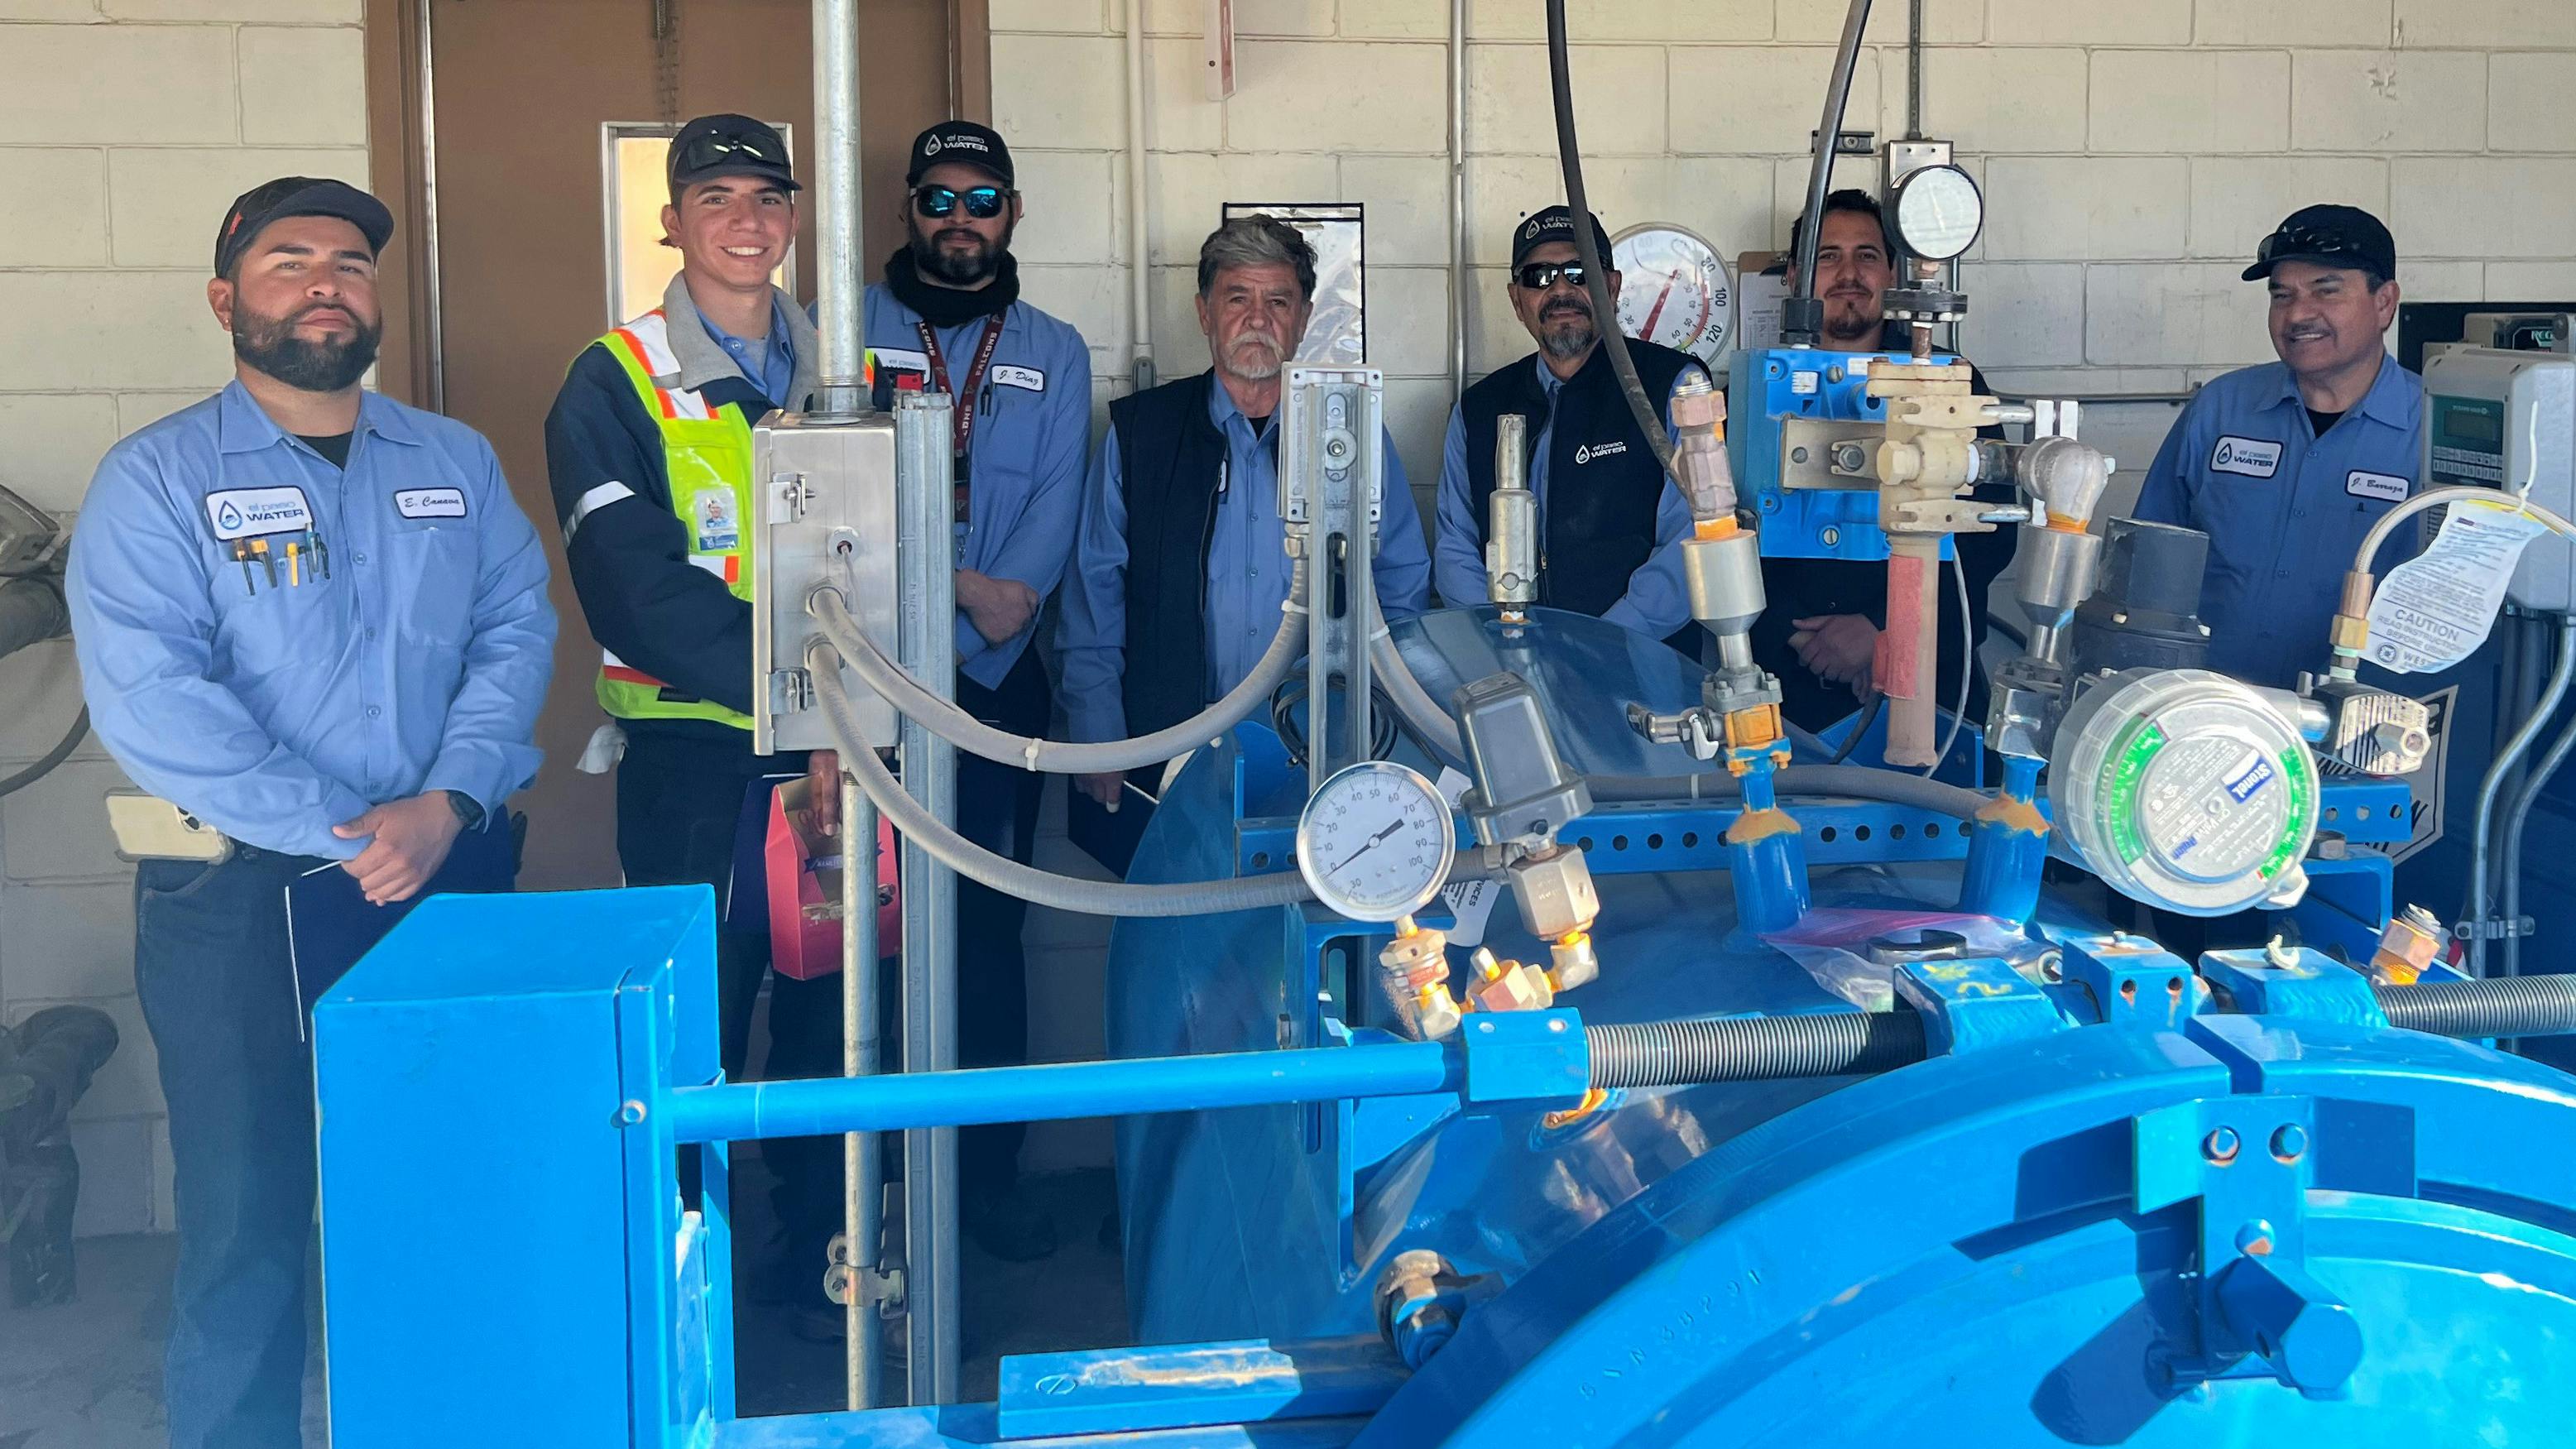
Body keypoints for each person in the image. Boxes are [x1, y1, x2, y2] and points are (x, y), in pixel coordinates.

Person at [65, 176, 555, 1449]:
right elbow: (154, 698)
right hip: (240, 899)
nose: (326, 282)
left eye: (349, 261)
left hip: (442, 873)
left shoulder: (451, 460)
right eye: (289, 262)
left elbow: (517, 628)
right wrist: (357, 828)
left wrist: (448, 801)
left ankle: (451, 1424)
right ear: (227, 299)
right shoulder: (157, 478)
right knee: (246, 1215)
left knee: (445, 1181)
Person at [542, 115, 851, 1326]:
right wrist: (798, 689)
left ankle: (822, 1261)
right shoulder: (611, 379)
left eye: (766, 197)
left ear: (788, 219)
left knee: (836, 1003)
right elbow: (634, 584)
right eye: (714, 196)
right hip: (695, 751)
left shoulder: (849, 367)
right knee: (694, 1011)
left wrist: (842, 710)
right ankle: (689, 1285)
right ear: (671, 219)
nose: (743, 218)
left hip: (834, 753)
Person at [848, 120, 1091, 1262]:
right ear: (907, 207)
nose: (960, 219)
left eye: (982, 198)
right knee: (869, 935)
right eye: (939, 197)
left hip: (998, 687)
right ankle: (863, 1197)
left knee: (992, 928)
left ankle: (983, 1191)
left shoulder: (1055, 348)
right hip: (867, 685)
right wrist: (949, 592)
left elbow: (1035, 557)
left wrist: (980, 601)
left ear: (1012, 212)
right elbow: (829, 512)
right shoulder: (844, 332)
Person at [1059, 216, 1433, 859]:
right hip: (1163, 748)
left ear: (1304, 316)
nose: (1256, 318)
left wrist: (1380, 724)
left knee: (1297, 930)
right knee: (1170, 932)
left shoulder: (1350, 434)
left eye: (1277, 300)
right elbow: (1094, 597)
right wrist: (1099, 735)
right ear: (1204, 313)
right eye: (1238, 298)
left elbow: (1399, 590)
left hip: (1315, 750)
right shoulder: (1140, 435)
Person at [1750, 189, 2015, 736]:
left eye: (1866, 256)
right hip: (1786, 685)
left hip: (1930, 679)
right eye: (1827, 256)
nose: (1848, 273)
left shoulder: (1947, 382)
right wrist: (1800, 635)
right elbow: (1725, 527)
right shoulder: (1756, 388)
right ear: (1793, 276)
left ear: (1892, 272)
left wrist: (1882, 629)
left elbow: (1987, 532)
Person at [2135, 204, 2421, 689]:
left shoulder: (2430, 429)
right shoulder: (2220, 409)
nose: (2298, 314)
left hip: (2366, 725)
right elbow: (2149, 559)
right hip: (2213, 714)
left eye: (2326, 291)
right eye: (2281, 295)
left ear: (2385, 303)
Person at [1433, 205, 1701, 650]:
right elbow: (1454, 545)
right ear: (1517, 300)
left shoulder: (1673, 386)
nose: (1560, 289)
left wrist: (1604, 645)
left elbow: (1692, 538)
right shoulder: (1478, 409)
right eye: (1538, 276)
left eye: (1580, 272)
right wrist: (1503, 642)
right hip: (1512, 668)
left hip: (1643, 668)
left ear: (1611, 287)